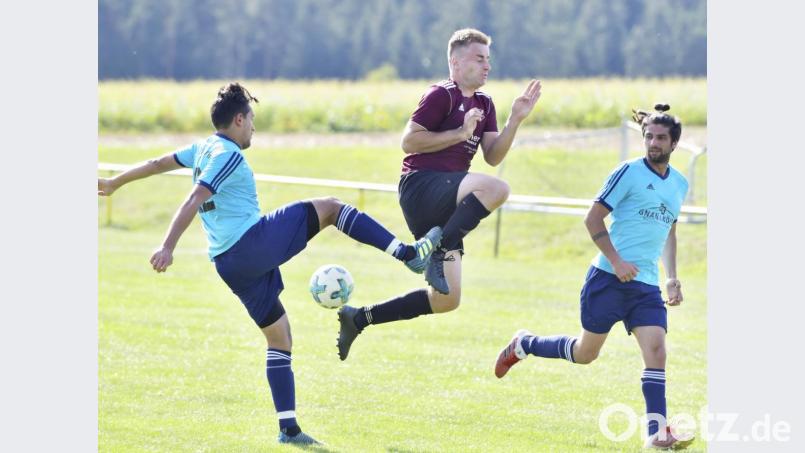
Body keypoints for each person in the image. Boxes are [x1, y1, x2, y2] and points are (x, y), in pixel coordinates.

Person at [97, 83, 442, 446]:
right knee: (331, 208)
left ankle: (288, 429)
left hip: (227, 264)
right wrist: (168, 246)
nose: (253, 128)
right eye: (251, 120)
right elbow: (196, 196)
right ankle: (408, 254)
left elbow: (157, 164)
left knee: (279, 337)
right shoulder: (227, 154)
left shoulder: (202, 148)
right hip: (250, 244)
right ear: (238, 119)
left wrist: (115, 182)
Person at [493, 104, 695, 449]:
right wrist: (617, 261)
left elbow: (669, 232)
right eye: (648, 136)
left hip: (645, 285)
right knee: (585, 353)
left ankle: (656, 433)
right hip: (607, 279)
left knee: (657, 351)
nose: (653, 143)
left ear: (674, 143)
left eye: (661, 138)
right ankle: (525, 343)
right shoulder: (628, 172)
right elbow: (592, 219)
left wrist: (671, 277)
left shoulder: (679, 183)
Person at [336, 28, 542, 361]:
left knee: (447, 299)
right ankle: (438, 249)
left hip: (449, 200)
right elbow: (409, 142)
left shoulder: (485, 104)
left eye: (488, 59)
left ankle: (359, 318)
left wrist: (515, 120)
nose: (487, 66)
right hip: (421, 186)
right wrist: (460, 133)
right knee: (498, 188)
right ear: (456, 62)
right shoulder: (441, 94)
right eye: (479, 59)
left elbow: (493, 156)